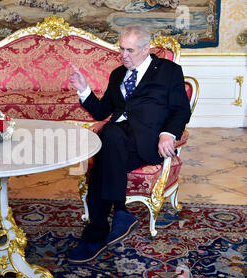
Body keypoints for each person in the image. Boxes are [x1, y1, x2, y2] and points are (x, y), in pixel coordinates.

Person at [68, 24, 191, 263]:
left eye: (130, 50)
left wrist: (168, 133)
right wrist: (84, 90)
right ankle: (118, 215)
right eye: (121, 49)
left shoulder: (168, 71)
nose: (124, 55)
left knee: (107, 142)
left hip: (147, 143)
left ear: (146, 49)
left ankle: (97, 231)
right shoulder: (117, 74)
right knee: (110, 139)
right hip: (118, 140)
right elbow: (102, 110)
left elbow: (180, 110)